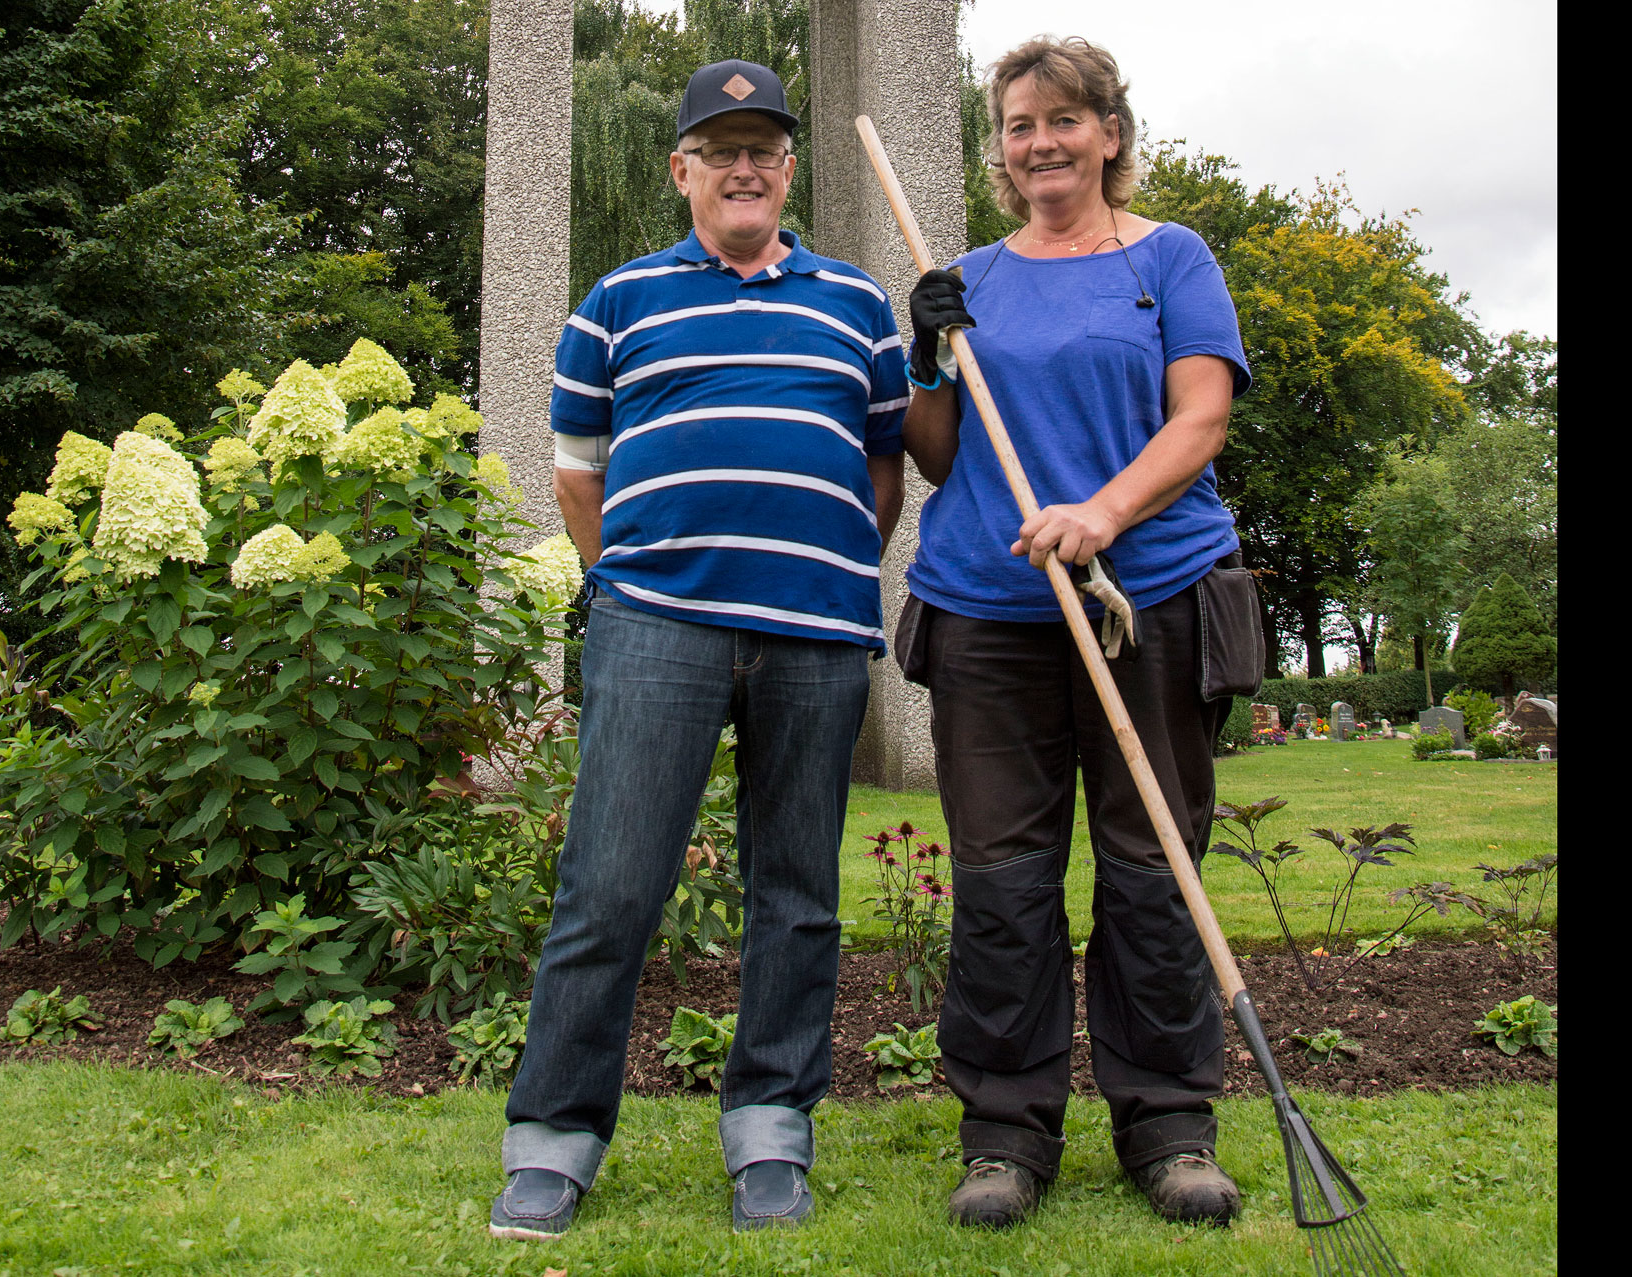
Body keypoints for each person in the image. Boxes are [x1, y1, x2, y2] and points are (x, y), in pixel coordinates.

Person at [490, 58, 908, 1241]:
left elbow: (884, 462)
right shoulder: (613, 303)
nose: (743, 165)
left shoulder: (859, 305)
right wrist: (622, 581)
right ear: (682, 171)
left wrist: (822, 560)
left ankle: (772, 1131)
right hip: (654, 626)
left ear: (786, 169)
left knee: (798, 892)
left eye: (763, 147)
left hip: (816, 636)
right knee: (610, 884)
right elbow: (580, 473)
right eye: (719, 148)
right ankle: (554, 1140)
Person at [895, 36, 1258, 1230]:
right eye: (1016, 125)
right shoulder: (973, 277)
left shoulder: (1169, 260)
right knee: (1003, 877)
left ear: (1108, 131)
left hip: (1145, 594)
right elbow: (942, 454)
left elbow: (1200, 416)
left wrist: (1101, 514)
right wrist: (925, 355)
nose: (1039, 142)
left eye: (1062, 120)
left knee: (1152, 866)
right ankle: (1005, 1134)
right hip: (989, 610)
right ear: (999, 149)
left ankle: (1169, 1125)